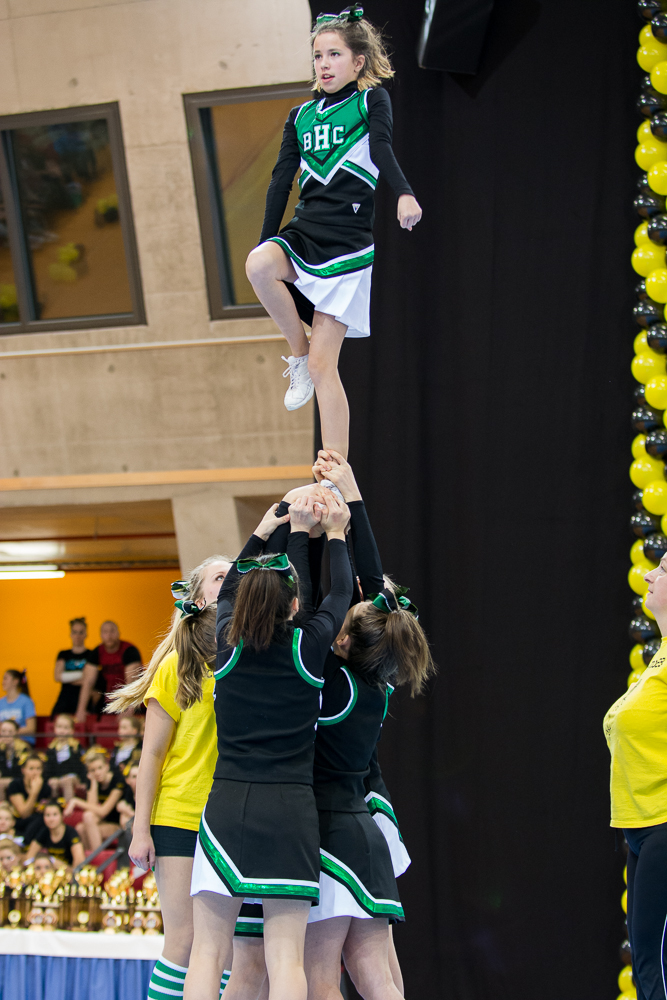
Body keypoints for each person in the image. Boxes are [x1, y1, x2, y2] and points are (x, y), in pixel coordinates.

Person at [185, 494, 353, 1000]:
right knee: (286, 960)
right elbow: (341, 592)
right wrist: (336, 533)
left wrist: (263, 530)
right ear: (296, 606)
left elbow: (229, 587)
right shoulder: (309, 645)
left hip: (228, 804)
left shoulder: (226, 643)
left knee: (207, 954)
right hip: (290, 811)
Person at [245, 5, 421, 459]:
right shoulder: (299, 116)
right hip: (306, 230)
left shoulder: (369, 101)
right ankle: (298, 354)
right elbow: (280, 181)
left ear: (358, 62)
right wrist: (267, 239)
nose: (323, 64)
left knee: (328, 369)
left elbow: (381, 148)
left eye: (334, 55)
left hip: (347, 244)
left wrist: (403, 193)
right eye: (318, 56)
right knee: (259, 264)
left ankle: (334, 475)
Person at [107, 556, 234, 1000]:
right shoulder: (177, 665)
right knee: (183, 941)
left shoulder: (252, 662)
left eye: (235, 574)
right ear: (198, 598)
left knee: (228, 950)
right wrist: (140, 829)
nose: (231, 580)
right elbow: (152, 755)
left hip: (230, 820)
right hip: (179, 816)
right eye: (220, 576)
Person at [604, 551, 667, 1000]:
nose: (648, 574)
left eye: (662, 571)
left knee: (655, 966)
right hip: (640, 829)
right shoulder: (659, 658)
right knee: (648, 967)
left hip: (663, 824)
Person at [74, 622, 142, 722]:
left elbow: (132, 682)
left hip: (133, 697)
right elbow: (88, 682)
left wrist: (129, 708)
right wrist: (81, 710)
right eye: (105, 632)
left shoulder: (129, 651)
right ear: (101, 635)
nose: (109, 635)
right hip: (110, 697)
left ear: (118, 633)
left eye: (112, 631)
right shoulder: (97, 652)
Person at [63, 751, 126, 851]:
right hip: (102, 821)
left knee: (88, 818)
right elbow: (91, 808)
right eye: (93, 770)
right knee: (80, 827)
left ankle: (98, 857)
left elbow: (103, 811)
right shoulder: (93, 781)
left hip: (119, 824)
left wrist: (75, 801)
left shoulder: (117, 780)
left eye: (100, 768)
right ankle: (91, 857)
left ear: (107, 766)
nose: (97, 773)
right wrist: (93, 783)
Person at [51, 617, 93, 717]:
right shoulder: (63, 654)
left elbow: (91, 679)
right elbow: (57, 677)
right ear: (70, 634)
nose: (77, 636)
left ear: (86, 634)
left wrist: (67, 677)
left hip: (85, 699)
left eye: (81, 632)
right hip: (65, 699)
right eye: (74, 632)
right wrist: (83, 676)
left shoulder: (91, 654)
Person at [7, 753, 51, 843]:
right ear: (23, 770)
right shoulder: (15, 785)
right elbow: (24, 813)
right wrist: (34, 792)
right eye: (31, 769)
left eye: (38, 769)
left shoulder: (46, 788)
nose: (35, 772)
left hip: (37, 825)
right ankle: (24, 842)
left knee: (43, 819)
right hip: (17, 822)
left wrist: (44, 807)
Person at [27, 800, 85, 868]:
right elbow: (29, 857)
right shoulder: (44, 832)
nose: (51, 819)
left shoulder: (71, 833)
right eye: (47, 815)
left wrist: (64, 867)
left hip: (69, 871)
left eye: (55, 815)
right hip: (50, 871)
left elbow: (79, 862)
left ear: (62, 816)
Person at [44, 713, 86, 801]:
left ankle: (68, 806)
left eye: (66, 728)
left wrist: (83, 781)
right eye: (59, 727)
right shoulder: (51, 749)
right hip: (59, 778)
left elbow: (82, 767)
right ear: (54, 729)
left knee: (67, 780)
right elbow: (48, 769)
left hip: (74, 778)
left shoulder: (76, 747)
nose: (62, 731)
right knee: (53, 782)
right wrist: (50, 779)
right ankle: (54, 805)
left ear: (72, 730)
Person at [0, 670, 36, 744]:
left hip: (23, 741)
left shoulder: (27, 701)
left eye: (5, 678)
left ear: (15, 681)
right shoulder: (1, 702)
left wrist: (10, 733)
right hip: (3, 741)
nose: (2, 682)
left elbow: (31, 728)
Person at [0, 720, 30, 800]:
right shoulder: (1, 748)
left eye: (10, 732)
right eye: (3, 731)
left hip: (19, 780)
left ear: (16, 733)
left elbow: (20, 770)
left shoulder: (23, 748)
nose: (6, 734)